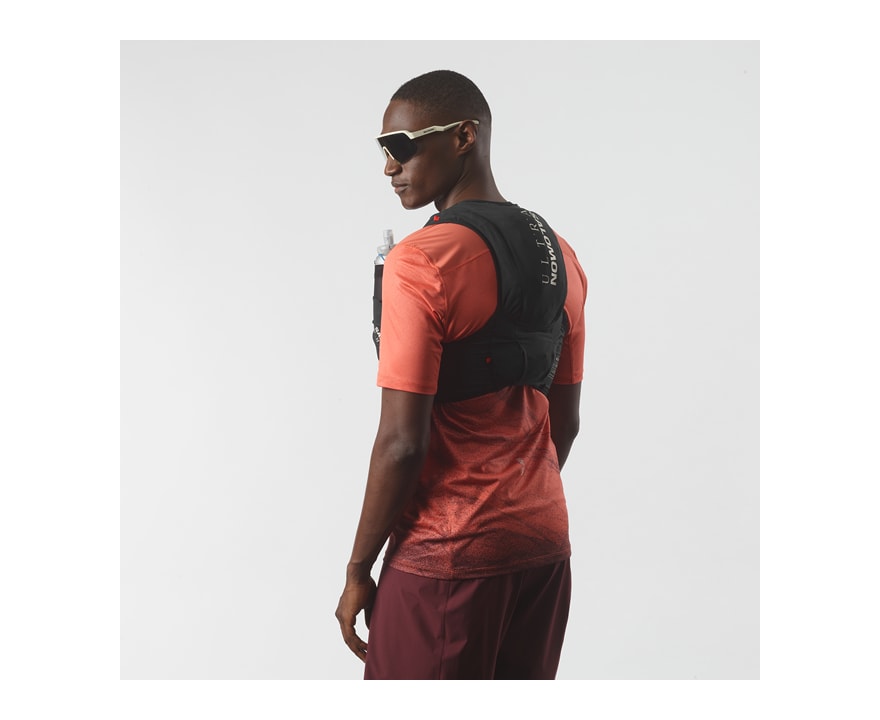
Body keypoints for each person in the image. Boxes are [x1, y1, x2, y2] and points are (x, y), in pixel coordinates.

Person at [335, 69, 588, 680]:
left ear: (464, 136)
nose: (389, 166)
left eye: (402, 146)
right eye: (383, 150)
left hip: (446, 558)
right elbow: (565, 423)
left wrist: (358, 569)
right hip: (544, 548)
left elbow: (401, 443)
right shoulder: (563, 257)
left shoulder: (419, 261)